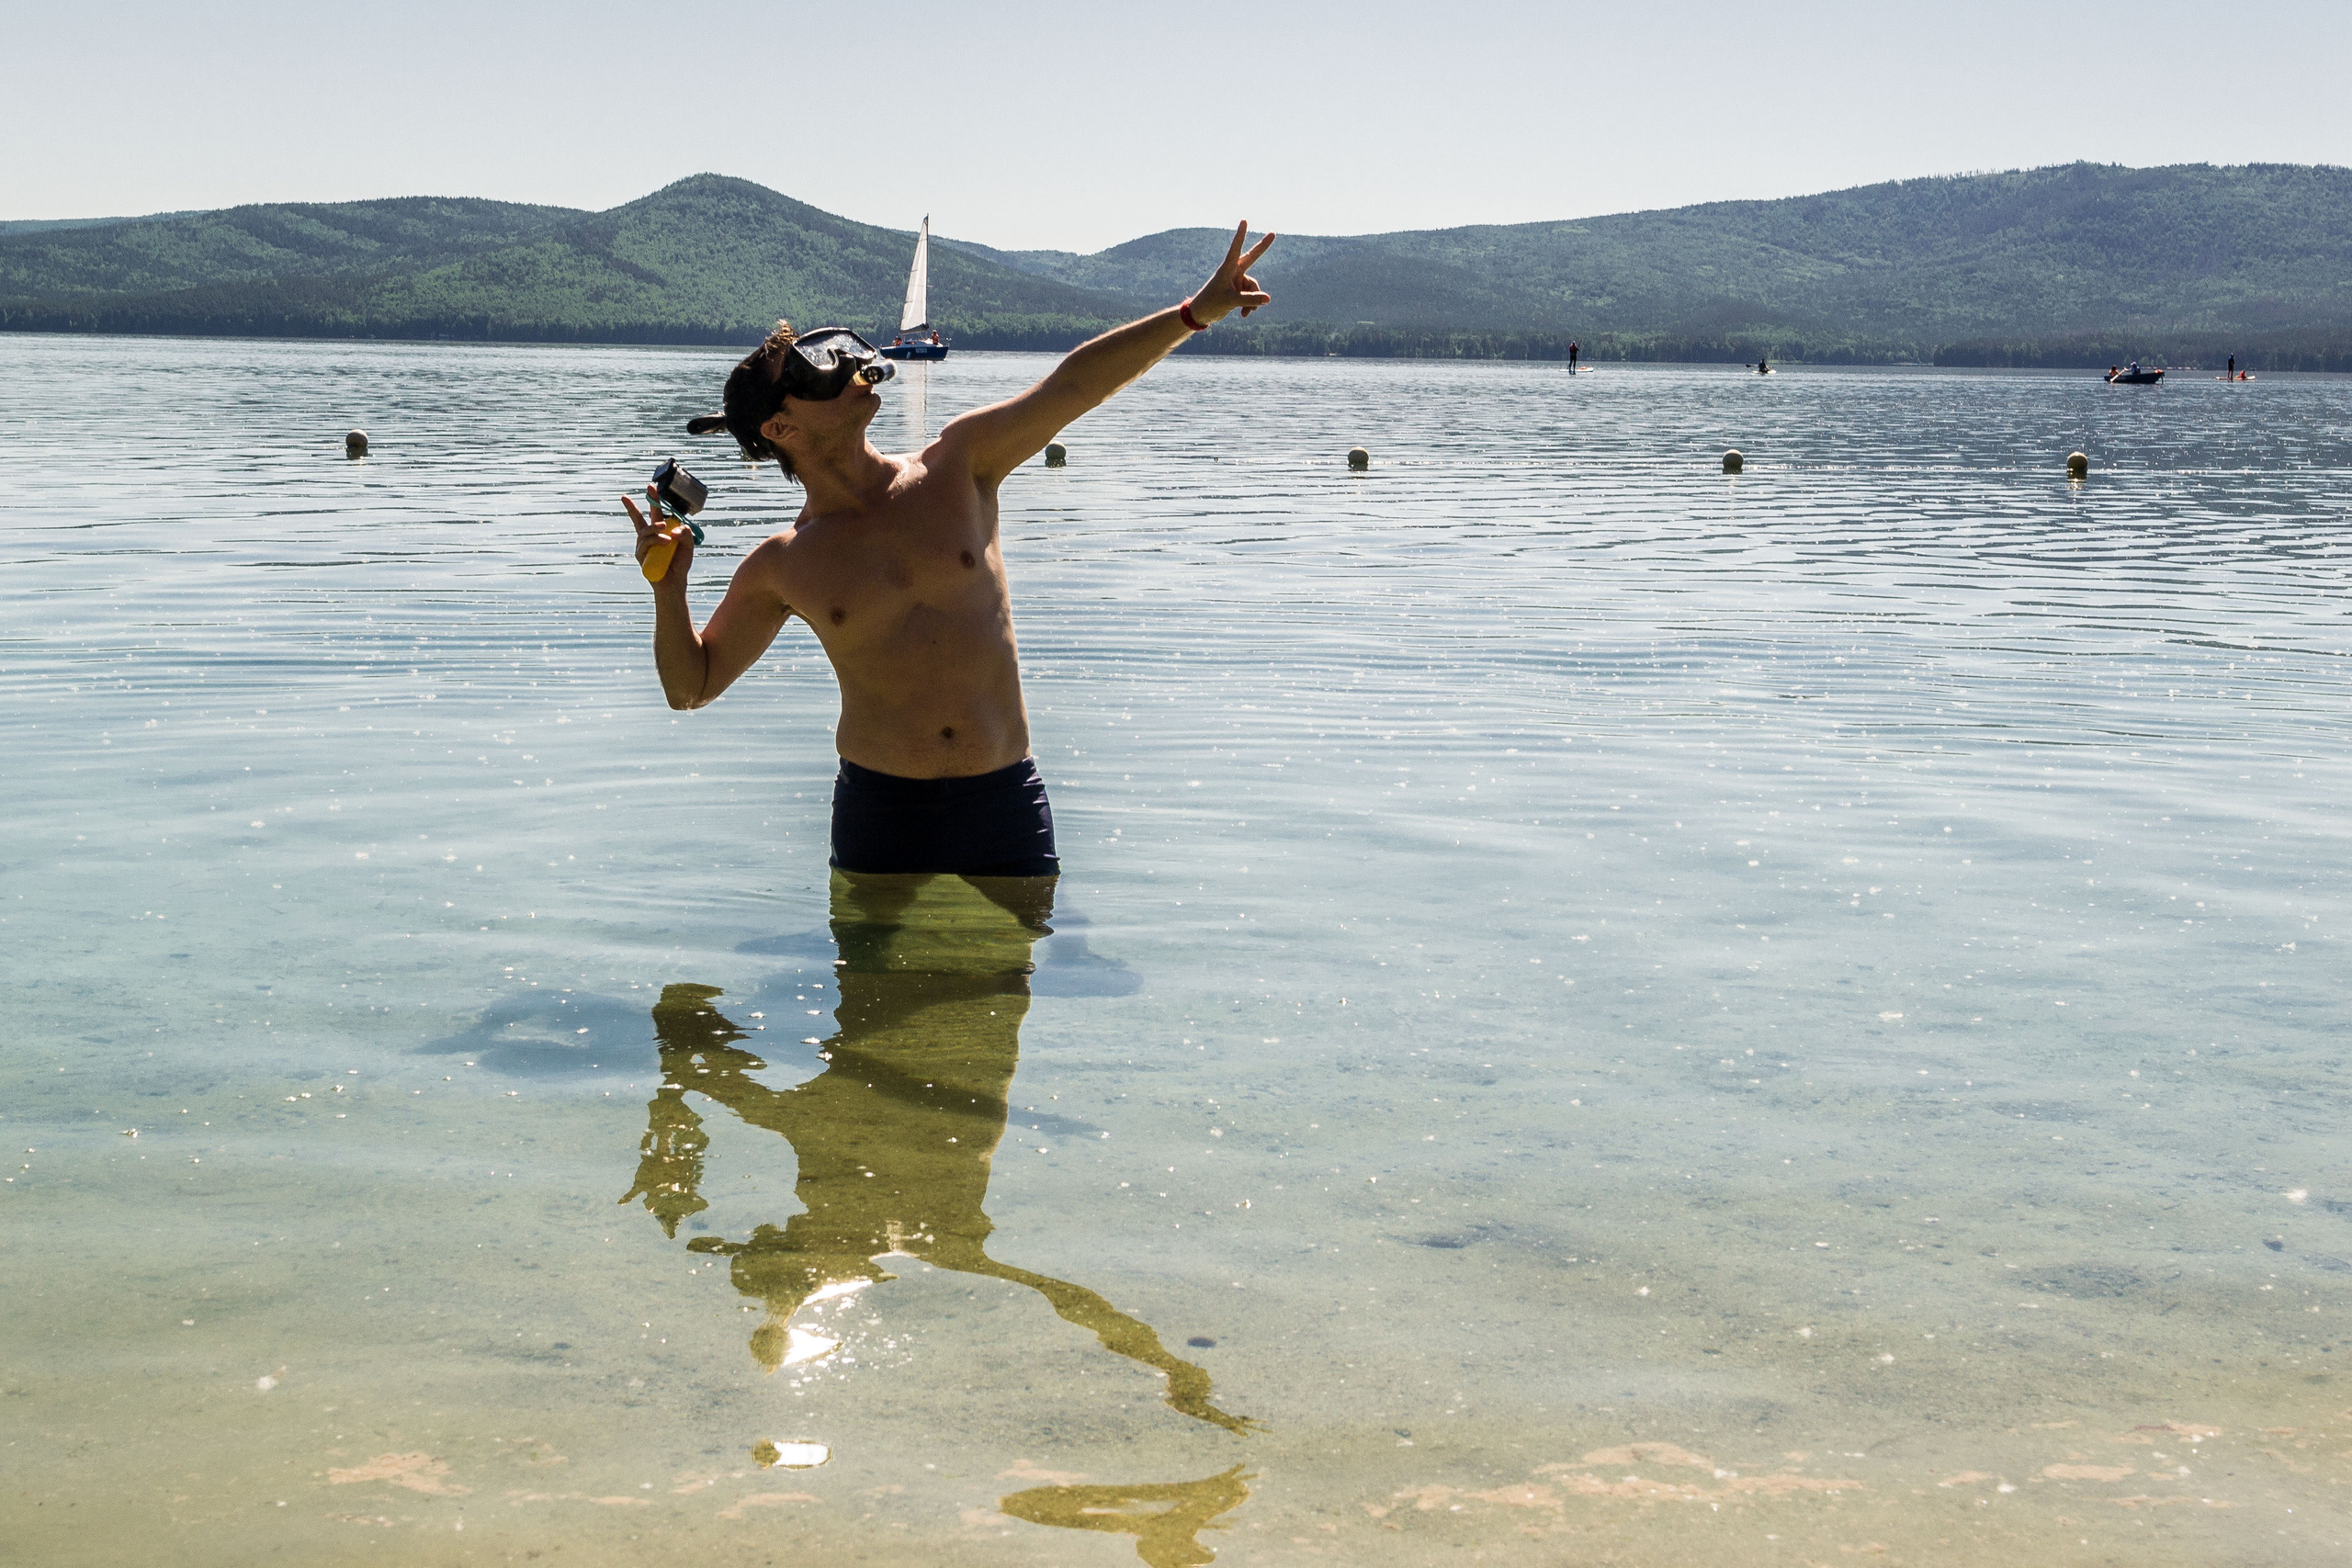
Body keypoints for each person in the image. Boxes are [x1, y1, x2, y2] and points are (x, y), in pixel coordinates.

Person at [623, 222, 1275, 883]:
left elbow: (1073, 387)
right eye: (811, 369)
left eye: (839, 353)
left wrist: (1194, 313)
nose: (845, 366)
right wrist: (669, 592)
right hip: (880, 813)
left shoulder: (958, 465)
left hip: (1003, 799)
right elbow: (690, 688)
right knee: (869, 960)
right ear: (781, 426)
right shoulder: (784, 562)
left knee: (1017, 954)